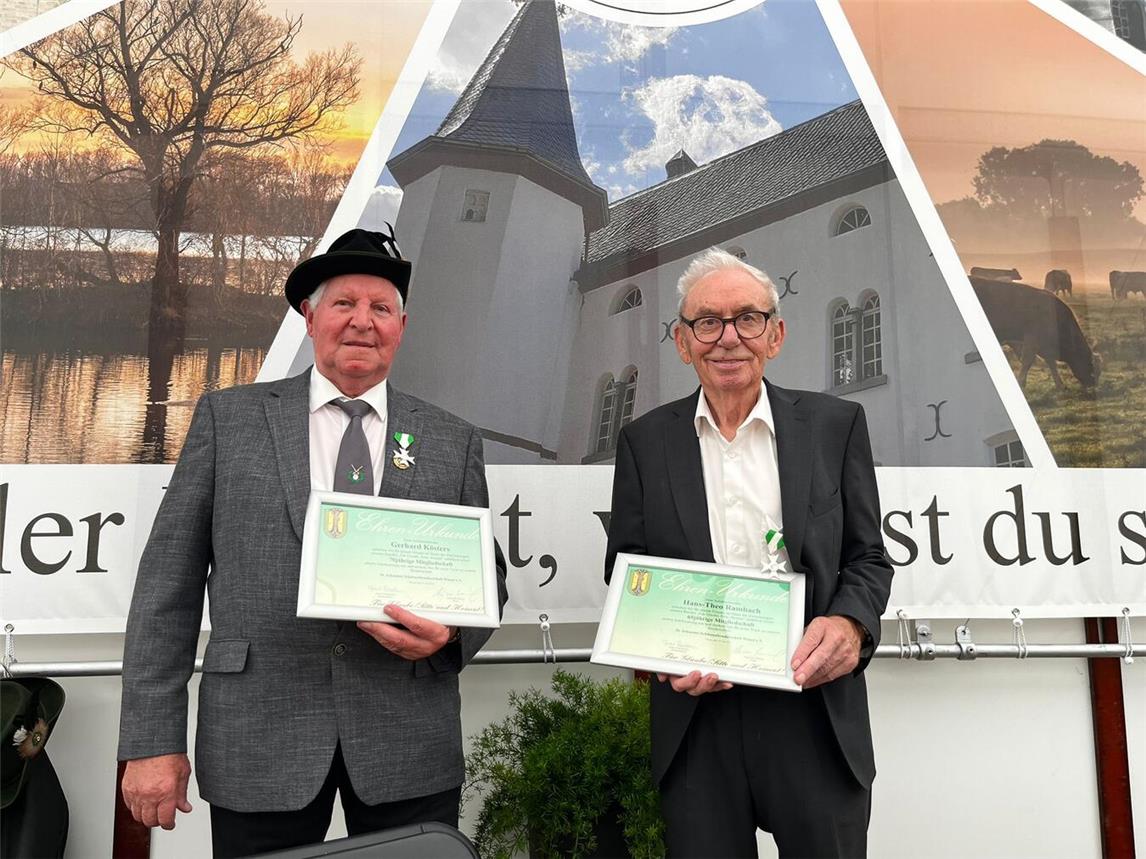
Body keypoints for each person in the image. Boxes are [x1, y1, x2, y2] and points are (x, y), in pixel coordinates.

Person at [118, 227, 508, 858]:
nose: (362, 322)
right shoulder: (228, 420)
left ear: (401, 327)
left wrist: (451, 635)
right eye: (343, 303)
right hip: (260, 739)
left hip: (407, 742)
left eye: (380, 308)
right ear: (310, 317)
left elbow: (486, 576)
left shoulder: (451, 439)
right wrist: (151, 740)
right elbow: (168, 587)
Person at [605, 247, 893, 858]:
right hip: (697, 722)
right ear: (683, 343)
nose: (728, 338)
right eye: (707, 322)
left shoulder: (835, 425)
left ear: (775, 334)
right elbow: (627, 571)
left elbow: (868, 557)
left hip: (813, 710)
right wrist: (662, 655)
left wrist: (850, 624)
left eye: (747, 319)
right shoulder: (643, 443)